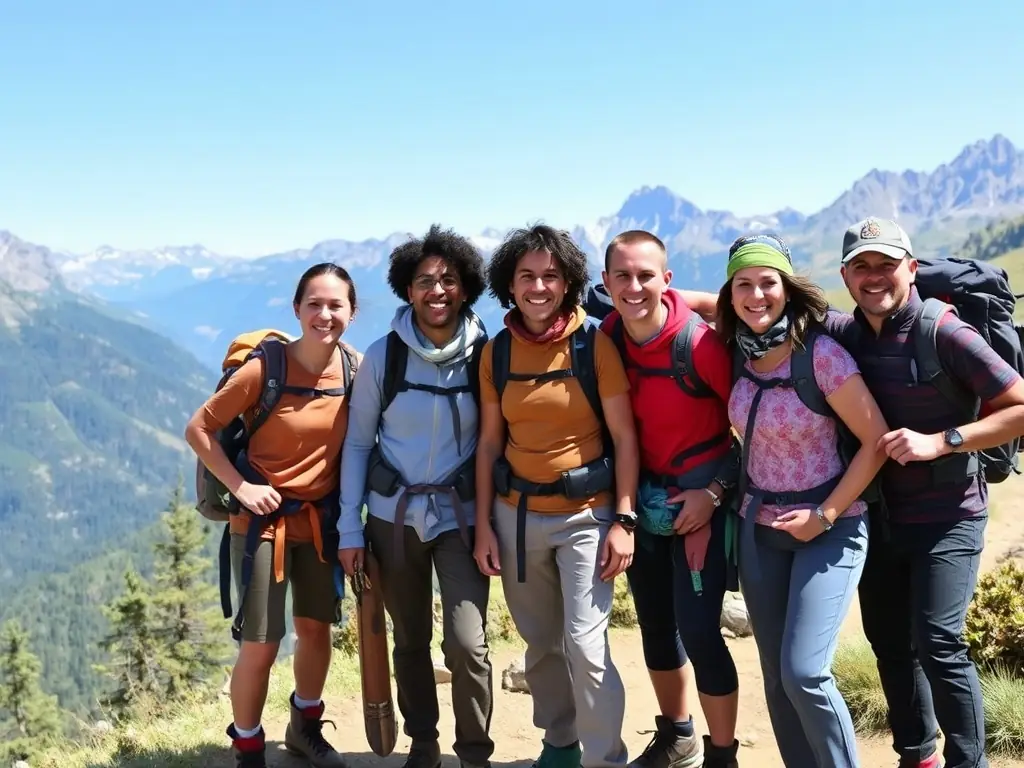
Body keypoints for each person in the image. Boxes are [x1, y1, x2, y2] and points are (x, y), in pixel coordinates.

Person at [826, 218, 1024, 768]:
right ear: (845, 275)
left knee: (939, 643)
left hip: (950, 515)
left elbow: (1020, 407)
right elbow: (762, 299)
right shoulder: (846, 333)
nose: (873, 277)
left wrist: (944, 440)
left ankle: (968, 762)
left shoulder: (946, 333)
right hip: (881, 516)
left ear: (911, 269)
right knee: (889, 641)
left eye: (886, 264)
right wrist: (657, 294)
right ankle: (918, 757)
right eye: (861, 266)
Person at [715, 234, 890, 768]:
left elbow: (876, 441)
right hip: (759, 527)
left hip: (830, 525)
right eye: (743, 284)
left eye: (768, 283)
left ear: (787, 288)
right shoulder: (738, 353)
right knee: (776, 677)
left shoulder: (824, 357)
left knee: (804, 672)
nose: (756, 295)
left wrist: (824, 515)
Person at [472, 223, 639, 768]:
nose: (538, 287)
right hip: (516, 518)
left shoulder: (594, 345)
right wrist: (482, 526)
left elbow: (624, 437)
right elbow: (490, 444)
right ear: (509, 284)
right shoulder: (496, 354)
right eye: (526, 276)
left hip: (587, 517)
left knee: (586, 647)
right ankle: (560, 743)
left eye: (550, 276)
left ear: (568, 283)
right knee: (542, 645)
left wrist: (625, 519)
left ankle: (605, 758)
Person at [185, 263, 359, 768]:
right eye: (315, 304)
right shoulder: (265, 369)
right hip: (263, 526)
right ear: (297, 309)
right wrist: (240, 485)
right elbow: (198, 428)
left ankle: (304, 728)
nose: (325, 315)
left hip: (321, 525)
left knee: (316, 631)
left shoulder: (355, 369)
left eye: (336, 305)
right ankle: (248, 747)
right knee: (261, 643)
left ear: (351, 311)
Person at [337, 224, 494, 768]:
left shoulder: (486, 357)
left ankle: (474, 752)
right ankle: (423, 744)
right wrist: (350, 529)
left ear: (467, 288)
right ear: (407, 289)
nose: (437, 290)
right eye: (424, 279)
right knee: (408, 638)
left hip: (462, 517)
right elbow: (357, 444)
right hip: (392, 517)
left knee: (467, 643)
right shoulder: (385, 358)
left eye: (449, 279)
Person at [598, 230, 741, 768]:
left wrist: (712, 495)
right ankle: (676, 736)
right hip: (643, 501)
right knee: (656, 626)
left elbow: (751, 431)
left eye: (646, 276)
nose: (634, 287)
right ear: (606, 281)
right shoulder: (610, 332)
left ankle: (722, 755)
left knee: (701, 632)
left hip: (701, 503)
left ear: (667, 280)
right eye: (622, 276)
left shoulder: (700, 345)